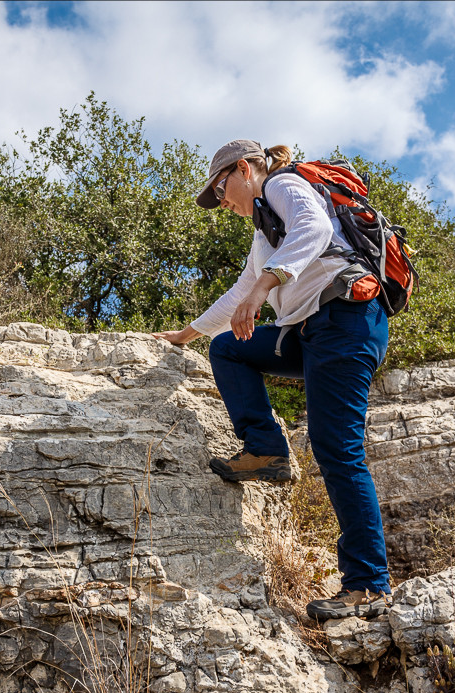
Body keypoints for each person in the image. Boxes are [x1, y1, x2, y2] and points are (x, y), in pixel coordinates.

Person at [152, 139, 391, 621]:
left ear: (244, 169)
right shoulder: (264, 230)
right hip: (310, 331)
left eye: (221, 190)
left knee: (336, 448)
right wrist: (187, 334)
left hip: (346, 320)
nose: (223, 203)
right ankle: (266, 449)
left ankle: (368, 585)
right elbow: (241, 290)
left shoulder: (284, 184)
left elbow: (316, 226)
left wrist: (268, 284)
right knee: (228, 348)